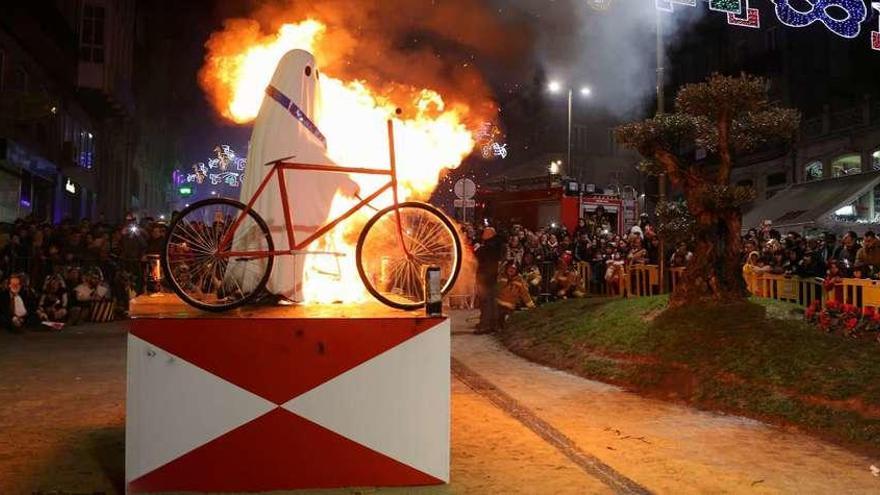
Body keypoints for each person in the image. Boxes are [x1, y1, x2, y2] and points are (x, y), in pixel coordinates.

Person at [235, 49, 358, 303]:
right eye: (307, 73)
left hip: (285, 191)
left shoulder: (272, 116)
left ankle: (279, 282)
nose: (312, 81)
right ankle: (282, 284)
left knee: (292, 233)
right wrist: (341, 177)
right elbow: (307, 152)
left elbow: (306, 151)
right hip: (282, 195)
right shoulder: (285, 117)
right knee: (292, 234)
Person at [475, 226, 505, 334]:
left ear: (490, 234)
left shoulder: (490, 246)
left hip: (487, 277)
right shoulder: (494, 245)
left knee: (486, 301)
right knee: (489, 301)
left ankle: (485, 325)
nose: (483, 234)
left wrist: (478, 248)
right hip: (489, 276)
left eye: (485, 232)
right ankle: (491, 324)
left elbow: (480, 255)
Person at [495, 262, 535, 327]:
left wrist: (531, 306)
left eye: (513, 268)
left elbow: (525, 294)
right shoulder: (501, 277)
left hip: (510, 306)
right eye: (510, 268)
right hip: (498, 304)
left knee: (506, 319)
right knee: (497, 317)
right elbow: (495, 289)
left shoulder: (519, 280)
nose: (511, 270)